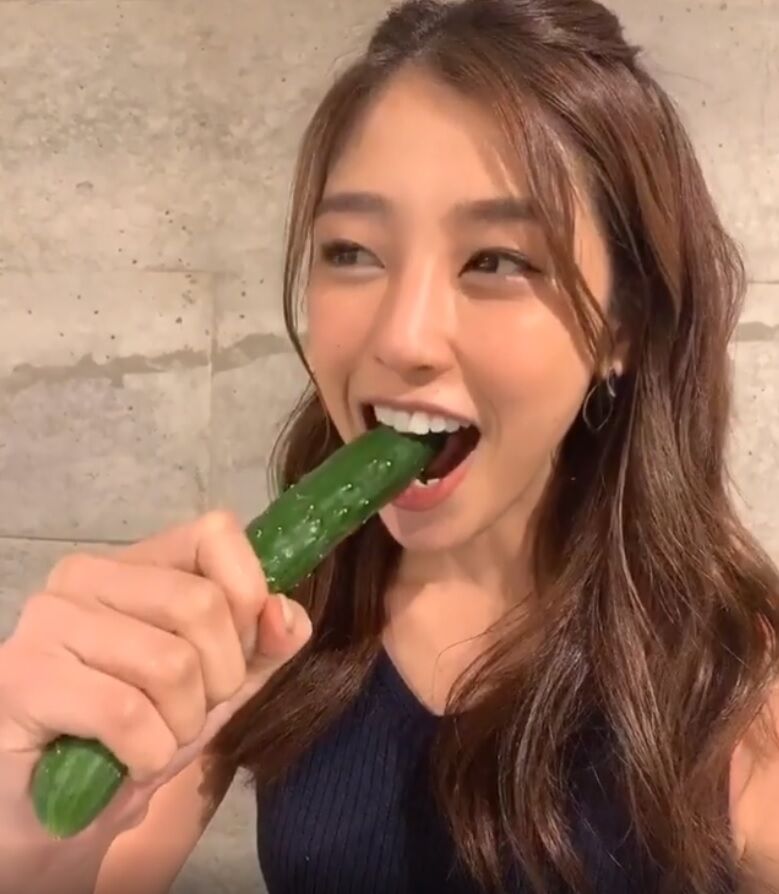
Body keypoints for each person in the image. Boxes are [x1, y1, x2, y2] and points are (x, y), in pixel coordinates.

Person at [1, 0, 778, 891]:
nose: (402, 337)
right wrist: (25, 837)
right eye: (352, 252)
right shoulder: (270, 623)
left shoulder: (737, 679)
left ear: (622, 327)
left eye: (497, 260)